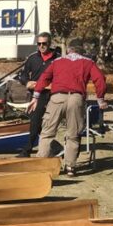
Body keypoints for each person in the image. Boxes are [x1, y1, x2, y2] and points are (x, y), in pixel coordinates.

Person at [31, 38, 108, 176]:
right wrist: (100, 99)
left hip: (57, 98)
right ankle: (70, 167)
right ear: (82, 50)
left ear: (68, 49)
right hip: (76, 99)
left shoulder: (57, 61)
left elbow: (44, 78)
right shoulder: (88, 62)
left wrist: (35, 96)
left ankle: (41, 164)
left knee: (47, 132)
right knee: (73, 134)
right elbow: (100, 80)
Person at [16, 32, 59, 156]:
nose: (41, 46)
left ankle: (27, 149)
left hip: (50, 94)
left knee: (39, 122)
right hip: (35, 95)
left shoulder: (57, 58)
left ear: (49, 43)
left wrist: (49, 85)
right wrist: (26, 82)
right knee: (35, 121)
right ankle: (54, 146)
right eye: (39, 44)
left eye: (44, 43)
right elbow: (22, 74)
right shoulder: (32, 58)